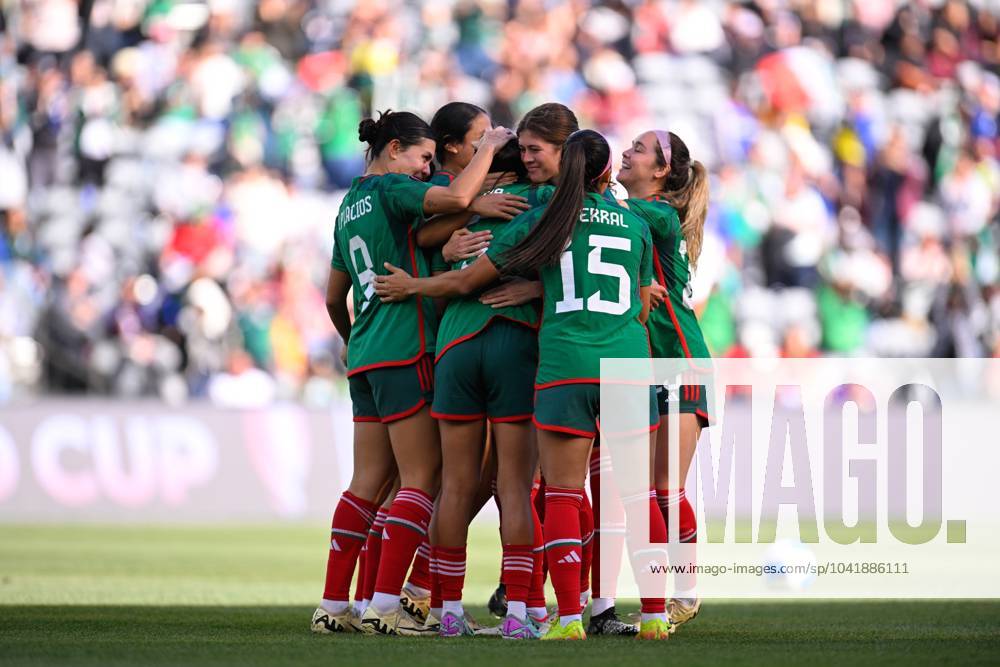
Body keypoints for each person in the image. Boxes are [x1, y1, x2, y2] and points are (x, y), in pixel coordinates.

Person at [374, 129, 672, 641]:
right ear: (605, 172)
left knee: (547, 491)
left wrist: (418, 280)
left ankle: (546, 618)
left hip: (546, 361)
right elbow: (642, 301)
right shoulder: (636, 223)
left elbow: (461, 272)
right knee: (632, 493)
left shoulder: (542, 217)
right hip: (618, 360)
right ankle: (651, 615)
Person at [312, 109, 514, 636]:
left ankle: (335, 606)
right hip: (407, 347)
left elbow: (335, 297)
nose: (425, 169)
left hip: (367, 356)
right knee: (422, 480)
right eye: (423, 157)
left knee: (366, 485)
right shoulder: (390, 189)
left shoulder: (347, 206)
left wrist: (349, 341)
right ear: (395, 148)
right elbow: (453, 199)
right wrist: (490, 149)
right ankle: (385, 605)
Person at [617, 129, 712, 630]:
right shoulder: (639, 212)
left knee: (664, 488)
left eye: (638, 149)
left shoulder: (657, 214)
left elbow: (591, 210)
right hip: (640, 359)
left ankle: (686, 595)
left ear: (659, 172)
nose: (626, 152)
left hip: (677, 358)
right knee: (642, 489)